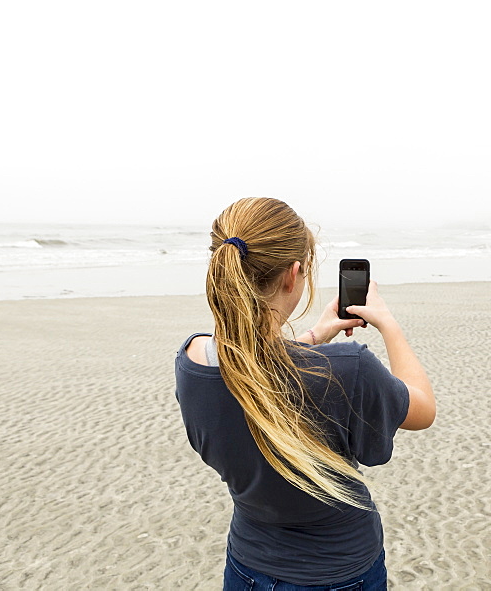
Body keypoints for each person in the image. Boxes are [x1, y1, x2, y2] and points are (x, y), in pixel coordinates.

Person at [174, 197, 436, 590]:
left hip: (247, 567)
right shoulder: (349, 369)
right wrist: (388, 323)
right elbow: (422, 408)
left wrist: (316, 336)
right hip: (342, 573)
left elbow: (260, 367)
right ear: (292, 275)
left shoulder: (193, 359)